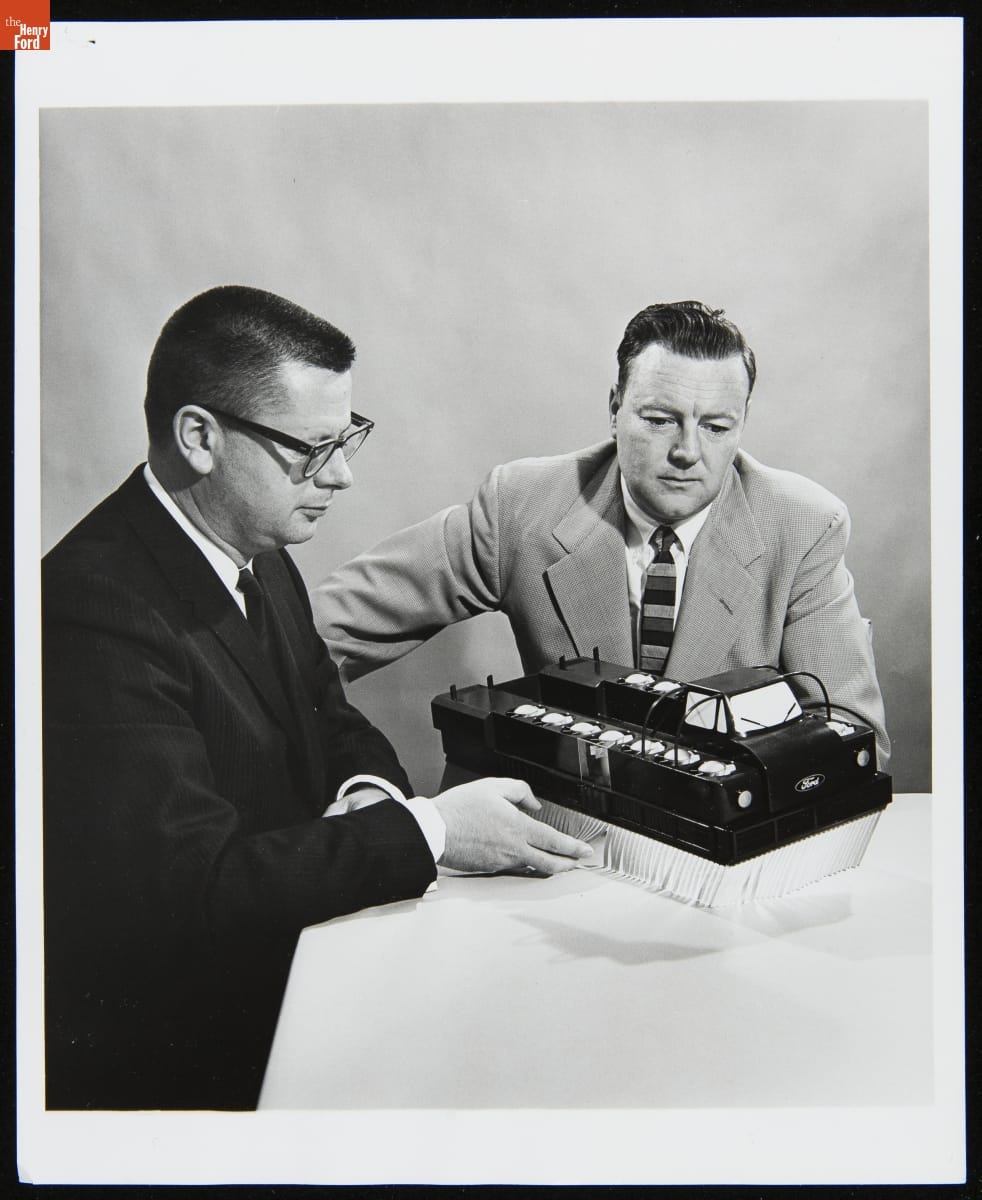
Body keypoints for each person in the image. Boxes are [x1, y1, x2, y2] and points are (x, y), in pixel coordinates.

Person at [41, 285, 593, 1112]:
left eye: (347, 438)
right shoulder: (93, 609)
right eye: (312, 448)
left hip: (292, 970)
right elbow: (194, 894)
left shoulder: (258, 551)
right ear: (199, 437)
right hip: (188, 1060)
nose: (340, 475)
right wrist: (433, 829)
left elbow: (331, 721)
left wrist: (367, 796)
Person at [314, 300, 889, 766]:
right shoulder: (522, 505)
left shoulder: (804, 525)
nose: (688, 452)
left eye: (716, 427)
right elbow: (318, 632)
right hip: (559, 830)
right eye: (660, 420)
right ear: (615, 409)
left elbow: (854, 738)